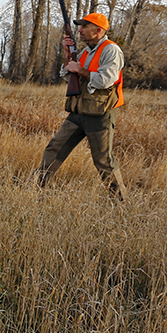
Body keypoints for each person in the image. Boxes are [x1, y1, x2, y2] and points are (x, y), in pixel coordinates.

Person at [37, 12, 128, 201]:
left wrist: (80, 70)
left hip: (100, 113)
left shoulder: (111, 50)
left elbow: (105, 80)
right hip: (79, 111)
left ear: (99, 30)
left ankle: (120, 202)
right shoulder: (85, 52)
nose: (80, 30)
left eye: (85, 26)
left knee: (103, 160)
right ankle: (36, 186)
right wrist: (67, 54)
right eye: (81, 26)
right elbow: (67, 75)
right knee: (55, 147)